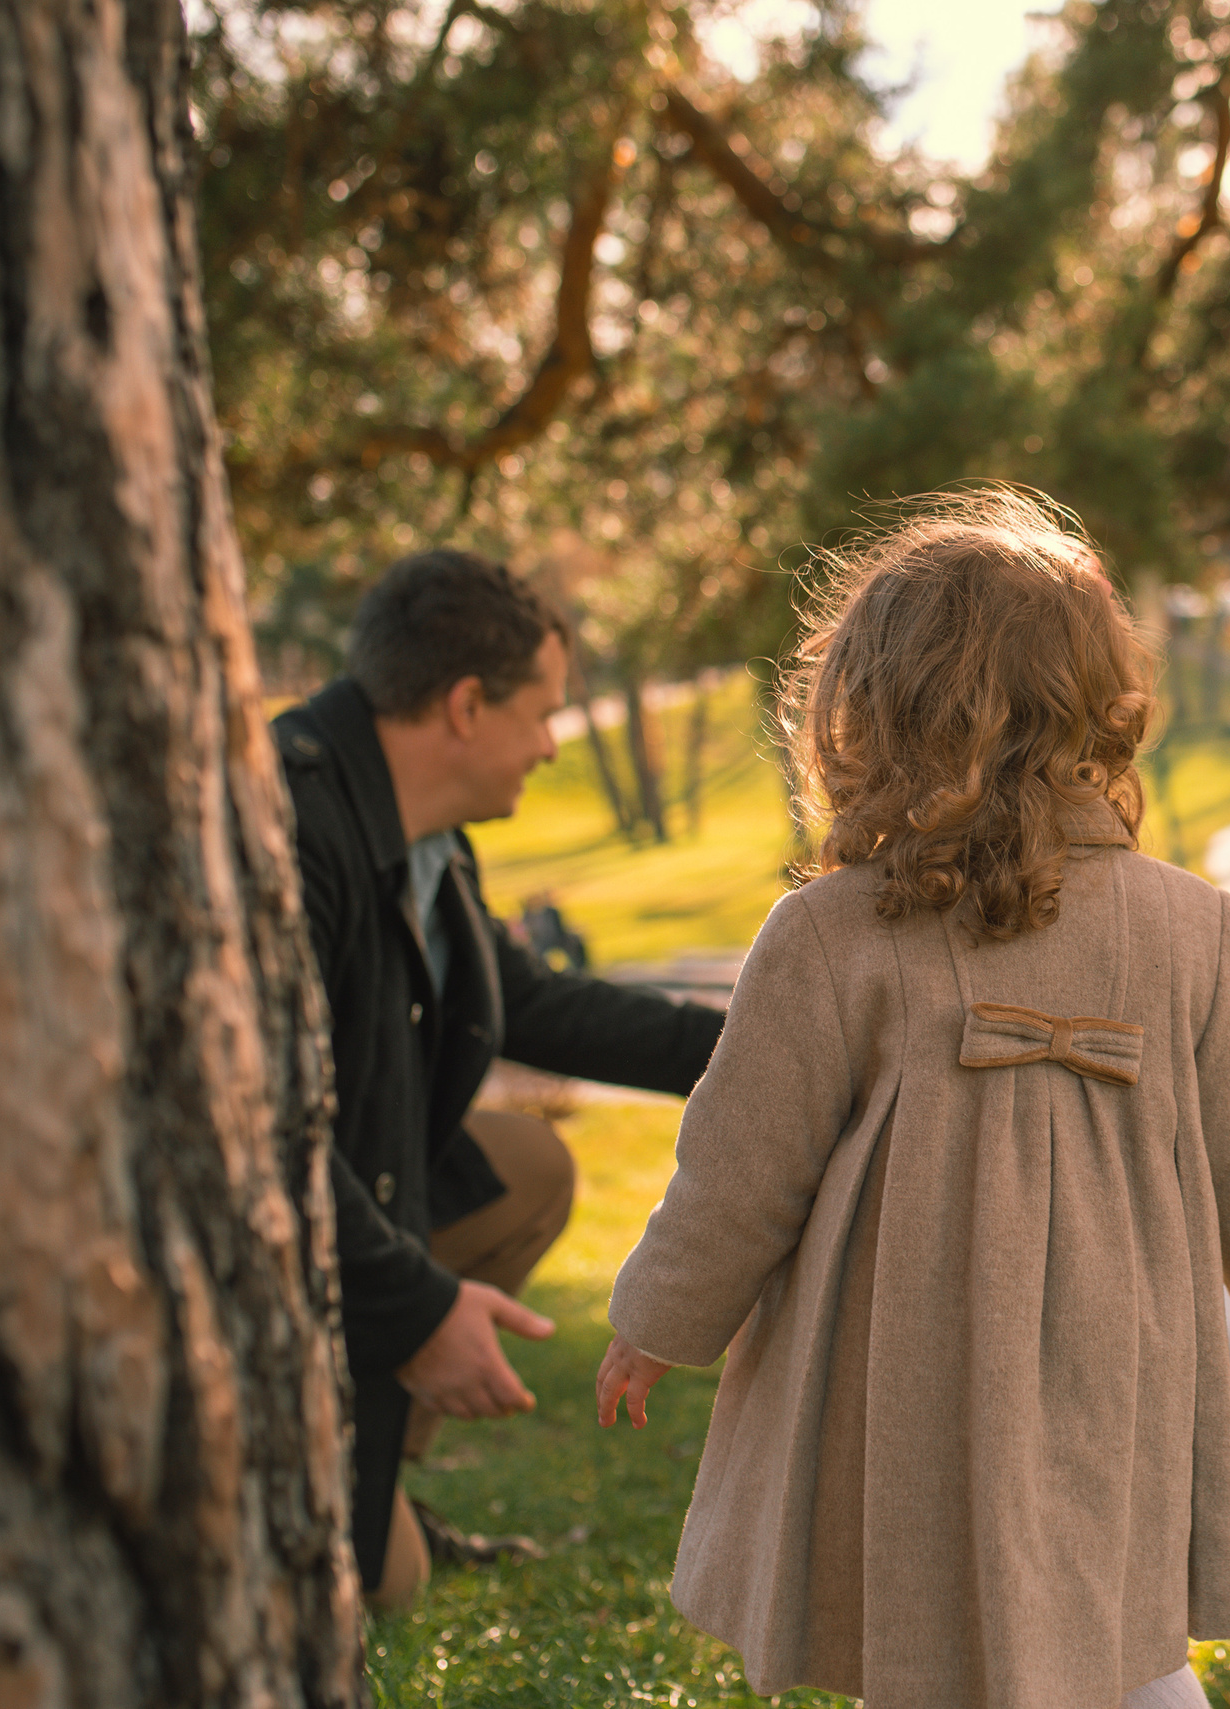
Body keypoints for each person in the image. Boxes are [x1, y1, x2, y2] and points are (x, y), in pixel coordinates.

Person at [592, 491, 1230, 1709]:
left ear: (878, 713)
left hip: (910, 1357)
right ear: (1098, 701)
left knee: (927, 1624)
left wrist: (658, 1315)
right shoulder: (1192, 925)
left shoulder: (833, 931)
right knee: (1116, 1625)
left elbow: (738, 1168)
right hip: (1124, 1348)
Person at [273, 549, 727, 1611]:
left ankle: (377, 1461)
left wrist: (773, 1044)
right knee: (379, 1591)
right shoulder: (292, 828)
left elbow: (539, 1005)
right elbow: (257, 1134)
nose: (552, 742)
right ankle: (340, 1470)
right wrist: (417, 1310)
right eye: (542, 711)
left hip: (348, 1219)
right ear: (467, 704)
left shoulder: (425, 834)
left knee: (527, 1164)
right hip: (267, 1247)